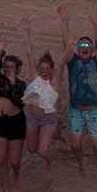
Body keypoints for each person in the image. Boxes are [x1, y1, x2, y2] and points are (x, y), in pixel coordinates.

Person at [62, 7, 97, 178]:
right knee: (75, 145)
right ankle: (82, 163)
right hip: (77, 110)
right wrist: (65, 21)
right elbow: (65, 43)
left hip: (95, 110)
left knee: (96, 146)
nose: (84, 47)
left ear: (92, 49)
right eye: (81, 45)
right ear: (78, 49)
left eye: (88, 45)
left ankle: (93, 141)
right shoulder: (72, 61)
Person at [0, 34, 27, 192]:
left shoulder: (21, 84)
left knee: (14, 161)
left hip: (16, 122)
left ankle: (17, 173)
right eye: (7, 67)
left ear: (17, 69)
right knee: (1, 158)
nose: (8, 70)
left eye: (12, 67)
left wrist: (12, 84)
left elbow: (19, 101)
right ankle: (5, 189)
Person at [23, 37, 63, 174]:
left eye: (47, 69)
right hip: (33, 118)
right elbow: (29, 54)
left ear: (51, 70)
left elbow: (63, 63)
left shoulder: (54, 82)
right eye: (41, 68)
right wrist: (26, 33)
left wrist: (68, 45)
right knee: (32, 149)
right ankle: (49, 135)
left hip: (48, 120)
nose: (44, 71)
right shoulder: (36, 77)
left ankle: (49, 162)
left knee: (43, 150)